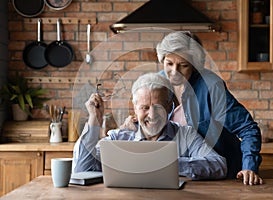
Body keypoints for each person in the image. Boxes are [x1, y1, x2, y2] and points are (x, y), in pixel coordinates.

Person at [72, 73, 227, 180]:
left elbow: (219, 165)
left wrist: (164, 164)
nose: (152, 115)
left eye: (158, 107)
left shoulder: (185, 134)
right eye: (145, 108)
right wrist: (94, 119)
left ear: (169, 106)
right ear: (135, 108)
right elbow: (81, 169)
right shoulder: (119, 137)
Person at [155, 31, 263, 185]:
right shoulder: (158, 83)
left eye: (183, 65)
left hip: (221, 176)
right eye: (169, 63)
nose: (174, 72)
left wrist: (249, 167)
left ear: (194, 65)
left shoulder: (211, 87)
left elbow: (248, 129)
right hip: (179, 174)